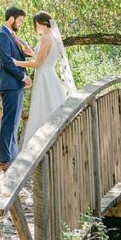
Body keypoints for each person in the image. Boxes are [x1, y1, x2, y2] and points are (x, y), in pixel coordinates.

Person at [18, 11, 78, 149]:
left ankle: (39, 148)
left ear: (39, 23)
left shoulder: (46, 38)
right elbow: (45, 60)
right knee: (50, 107)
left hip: (44, 77)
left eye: (35, 25)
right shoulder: (54, 37)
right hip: (50, 75)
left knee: (42, 109)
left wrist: (16, 62)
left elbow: (38, 64)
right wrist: (32, 53)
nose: (36, 28)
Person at [0, 6, 34, 171]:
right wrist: (23, 77)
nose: (21, 23)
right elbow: (7, 61)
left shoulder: (12, 36)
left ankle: (13, 157)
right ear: (11, 19)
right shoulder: (2, 36)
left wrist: (28, 53)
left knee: (15, 122)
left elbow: (16, 58)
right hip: (10, 85)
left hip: (16, 85)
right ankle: (5, 160)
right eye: (20, 20)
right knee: (9, 122)